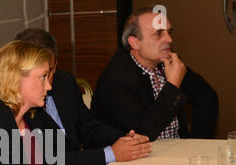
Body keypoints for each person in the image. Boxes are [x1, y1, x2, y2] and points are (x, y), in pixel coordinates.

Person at [14, 28, 152, 165]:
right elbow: (47, 162)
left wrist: (127, 141)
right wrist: (110, 154)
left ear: (55, 65)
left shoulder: (64, 82)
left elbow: (88, 127)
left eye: (47, 72)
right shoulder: (16, 104)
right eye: (38, 75)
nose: (46, 84)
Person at [90, 7, 219, 141]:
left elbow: (207, 99)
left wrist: (194, 144)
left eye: (169, 32)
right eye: (159, 34)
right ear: (135, 42)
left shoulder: (166, 63)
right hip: (137, 157)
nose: (169, 39)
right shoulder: (114, 79)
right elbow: (144, 132)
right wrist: (173, 86)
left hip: (176, 152)